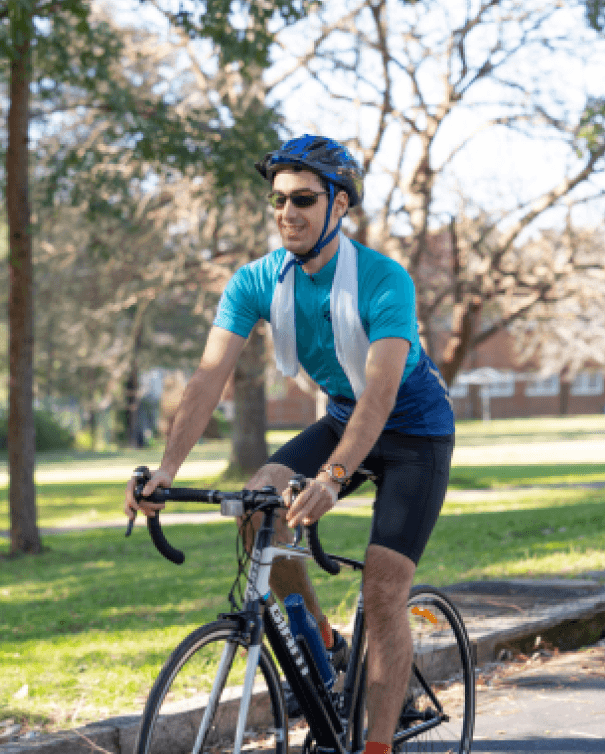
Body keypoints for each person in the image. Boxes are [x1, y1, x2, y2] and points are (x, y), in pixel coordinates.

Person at [124, 134, 455, 754]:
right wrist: (165, 470)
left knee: (383, 586)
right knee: (257, 507)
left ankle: (378, 747)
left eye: (304, 198)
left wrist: (331, 478)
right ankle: (323, 642)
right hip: (343, 419)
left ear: (339, 206)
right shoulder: (256, 281)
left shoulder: (384, 282)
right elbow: (207, 379)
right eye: (277, 200)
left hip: (415, 434)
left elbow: (381, 396)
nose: (286, 213)